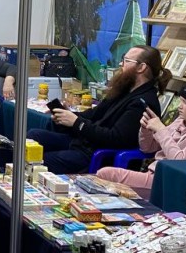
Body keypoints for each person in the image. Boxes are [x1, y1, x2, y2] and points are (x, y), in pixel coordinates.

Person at [27, 45, 167, 175]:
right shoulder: (124, 90)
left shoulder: (143, 103)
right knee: (34, 136)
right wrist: (67, 115)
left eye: (126, 60)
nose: (121, 64)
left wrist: (77, 123)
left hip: (98, 155)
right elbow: (94, 114)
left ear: (141, 67)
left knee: (39, 160)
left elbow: (115, 138)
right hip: (83, 144)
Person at [97, 82, 186, 198]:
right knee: (103, 175)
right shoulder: (180, 121)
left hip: (165, 181)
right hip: (154, 172)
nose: (180, 106)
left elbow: (181, 162)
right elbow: (147, 148)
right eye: (180, 101)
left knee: (106, 175)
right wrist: (146, 130)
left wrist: (161, 130)